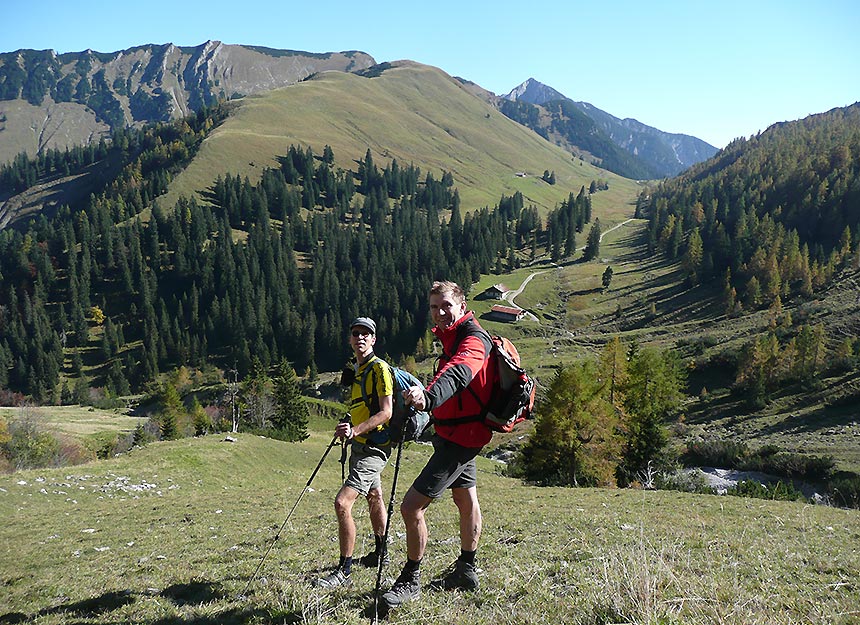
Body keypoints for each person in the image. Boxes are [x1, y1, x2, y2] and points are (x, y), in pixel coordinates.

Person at [381, 281, 494, 608]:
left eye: (446, 305)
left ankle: (411, 580)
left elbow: (459, 375)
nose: (441, 312)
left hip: (460, 440)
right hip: (458, 433)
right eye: (434, 307)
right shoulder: (454, 337)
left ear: (461, 305)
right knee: (464, 497)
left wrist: (428, 398)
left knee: (410, 507)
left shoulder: (473, 340)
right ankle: (467, 568)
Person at [314, 316, 394, 588]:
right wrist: (349, 425)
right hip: (360, 444)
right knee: (374, 496)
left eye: (365, 334)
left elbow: (386, 411)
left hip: (375, 446)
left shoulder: (379, 368)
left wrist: (356, 430)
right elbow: (364, 406)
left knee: (342, 503)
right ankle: (381, 552)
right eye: (356, 333)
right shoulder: (358, 370)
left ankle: (344, 570)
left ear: (373, 340)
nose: (360, 338)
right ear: (350, 339)